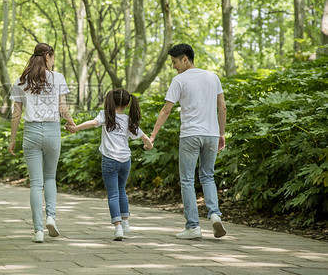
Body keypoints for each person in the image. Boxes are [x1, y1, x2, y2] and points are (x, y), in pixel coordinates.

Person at [149, 43, 227, 239]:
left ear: (185, 59)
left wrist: (152, 135)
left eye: (175, 62)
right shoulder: (212, 77)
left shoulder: (179, 80)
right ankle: (215, 215)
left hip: (191, 135)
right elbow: (222, 108)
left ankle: (193, 226)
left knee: (186, 180)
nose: (174, 66)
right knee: (207, 176)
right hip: (211, 134)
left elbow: (166, 110)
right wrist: (221, 134)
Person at [8, 43, 75, 243]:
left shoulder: (21, 80)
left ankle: (38, 231)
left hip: (31, 132)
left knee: (36, 184)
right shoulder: (58, 77)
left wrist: (12, 139)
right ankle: (51, 217)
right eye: (53, 58)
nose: (53, 62)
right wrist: (71, 123)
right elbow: (62, 107)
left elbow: (16, 113)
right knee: (50, 178)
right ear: (47, 56)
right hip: (53, 131)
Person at [66, 89, 153, 241]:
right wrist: (148, 146)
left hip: (109, 160)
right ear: (127, 103)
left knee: (113, 194)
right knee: (122, 191)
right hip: (125, 160)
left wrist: (75, 127)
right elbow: (144, 137)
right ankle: (126, 223)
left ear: (111, 101)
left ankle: (118, 227)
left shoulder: (106, 115)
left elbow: (93, 123)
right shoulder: (129, 120)